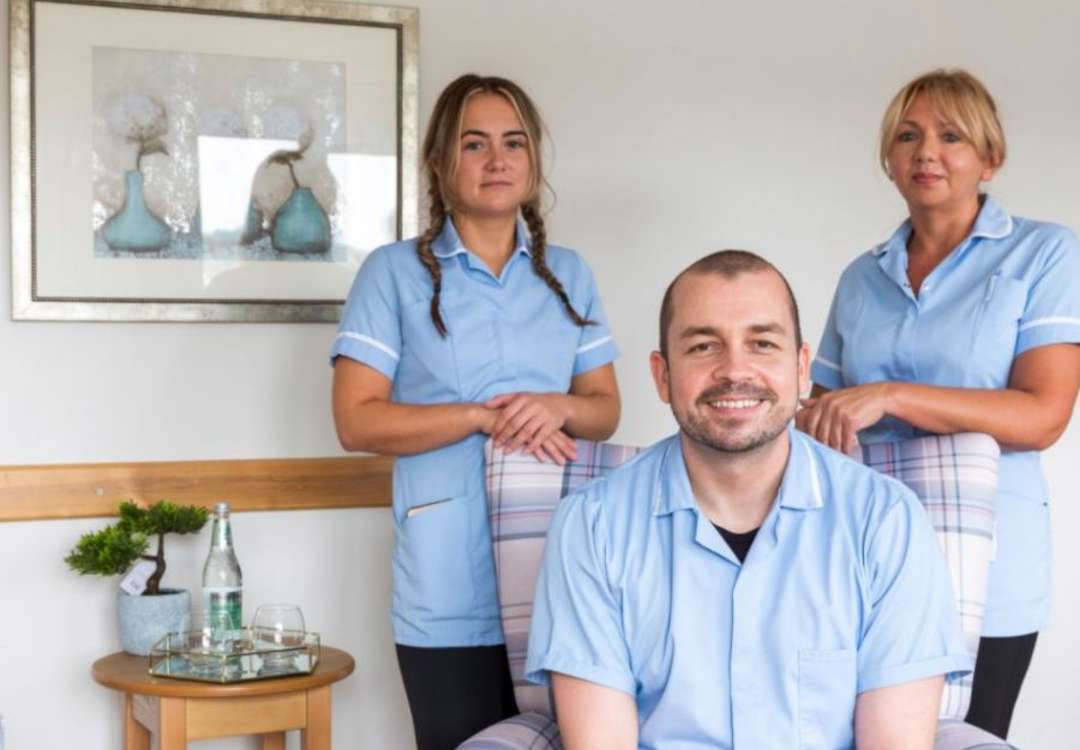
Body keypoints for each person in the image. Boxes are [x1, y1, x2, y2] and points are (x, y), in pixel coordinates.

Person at [526, 250, 971, 749]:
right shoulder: (591, 526)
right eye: (702, 347)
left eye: (761, 343)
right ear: (662, 375)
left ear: (802, 367)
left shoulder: (886, 521)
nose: (734, 370)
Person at [330, 74, 620, 749]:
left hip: (563, 569)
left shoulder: (571, 274)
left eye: (514, 143)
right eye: (475, 143)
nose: (498, 161)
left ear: (534, 162)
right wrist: (478, 418)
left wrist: (556, 406)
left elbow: (604, 412)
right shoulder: (393, 273)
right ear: (440, 162)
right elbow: (356, 421)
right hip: (446, 583)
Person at [797, 69, 1080, 739]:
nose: (927, 153)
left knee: (968, 738)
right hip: (865, 558)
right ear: (889, 160)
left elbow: (1043, 415)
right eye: (908, 136)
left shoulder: (1045, 254)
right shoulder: (861, 278)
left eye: (951, 136)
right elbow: (824, 417)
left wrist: (894, 395)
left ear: (990, 158)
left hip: (992, 562)